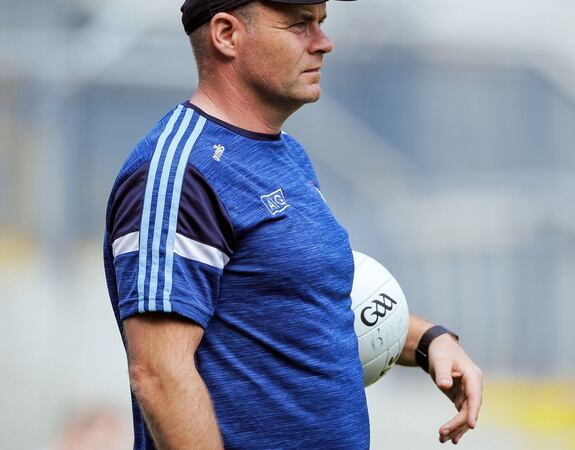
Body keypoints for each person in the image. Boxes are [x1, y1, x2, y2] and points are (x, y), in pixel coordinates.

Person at [102, 0, 483, 448]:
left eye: (321, 23)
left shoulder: (287, 155)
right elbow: (159, 374)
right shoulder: (181, 170)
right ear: (227, 35)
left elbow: (308, 303)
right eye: (300, 24)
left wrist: (428, 341)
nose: (324, 43)